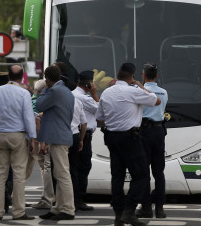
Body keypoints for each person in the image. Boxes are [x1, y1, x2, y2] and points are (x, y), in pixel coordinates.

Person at [97, 62, 161, 226]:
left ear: (118, 75)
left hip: (111, 138)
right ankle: (129, 210)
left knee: (117, 176)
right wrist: (140, 85)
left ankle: (118, 215)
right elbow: (156, 101)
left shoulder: (106, 93)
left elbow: (100, 118)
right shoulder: (133, 91)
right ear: (132, 77)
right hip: (129, 138)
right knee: (141, 175)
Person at [0, 64, 37, 221]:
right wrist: (33, 138)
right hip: (18, 136)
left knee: (0, 175)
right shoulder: (24, 93)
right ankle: (18, 211)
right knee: (19, 174)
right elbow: (28, 117)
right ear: (22, 77)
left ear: (8, 75)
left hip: (0, 135)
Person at [37, 65, 77, 221]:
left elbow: (39, 104)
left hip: (59, 137)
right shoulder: (66, 91)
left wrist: (45, 89)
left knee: (62, 174)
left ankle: (68, 208)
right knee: (59, 173)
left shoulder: (54, 91)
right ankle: (58, 207)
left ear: (47, 79)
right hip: (61, 135)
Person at [137, 62, 169, 219]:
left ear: (143, 75)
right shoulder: (164, 92)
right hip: (159, 131)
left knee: (144, 172)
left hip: (143, 131)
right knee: (159, 172)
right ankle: (160, 209)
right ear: (156, 75)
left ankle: (146, 208)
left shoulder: (139, 91)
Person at [72, 70, 99, 212]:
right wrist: (94, 93)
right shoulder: (86, 98)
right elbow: (102, 110)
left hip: (73, 134)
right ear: (89, 84)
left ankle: (73, 198)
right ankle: (79, 199)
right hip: (83, 136)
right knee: (83, 168)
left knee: (73, 168)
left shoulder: (72, 93)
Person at [30, 79, 55, 210]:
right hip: (40, 140)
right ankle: (49, 196)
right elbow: (38, 123)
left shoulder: (29, 100)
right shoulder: (41, 103)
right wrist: (41, 143)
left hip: (29, 139)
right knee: (45, 169)